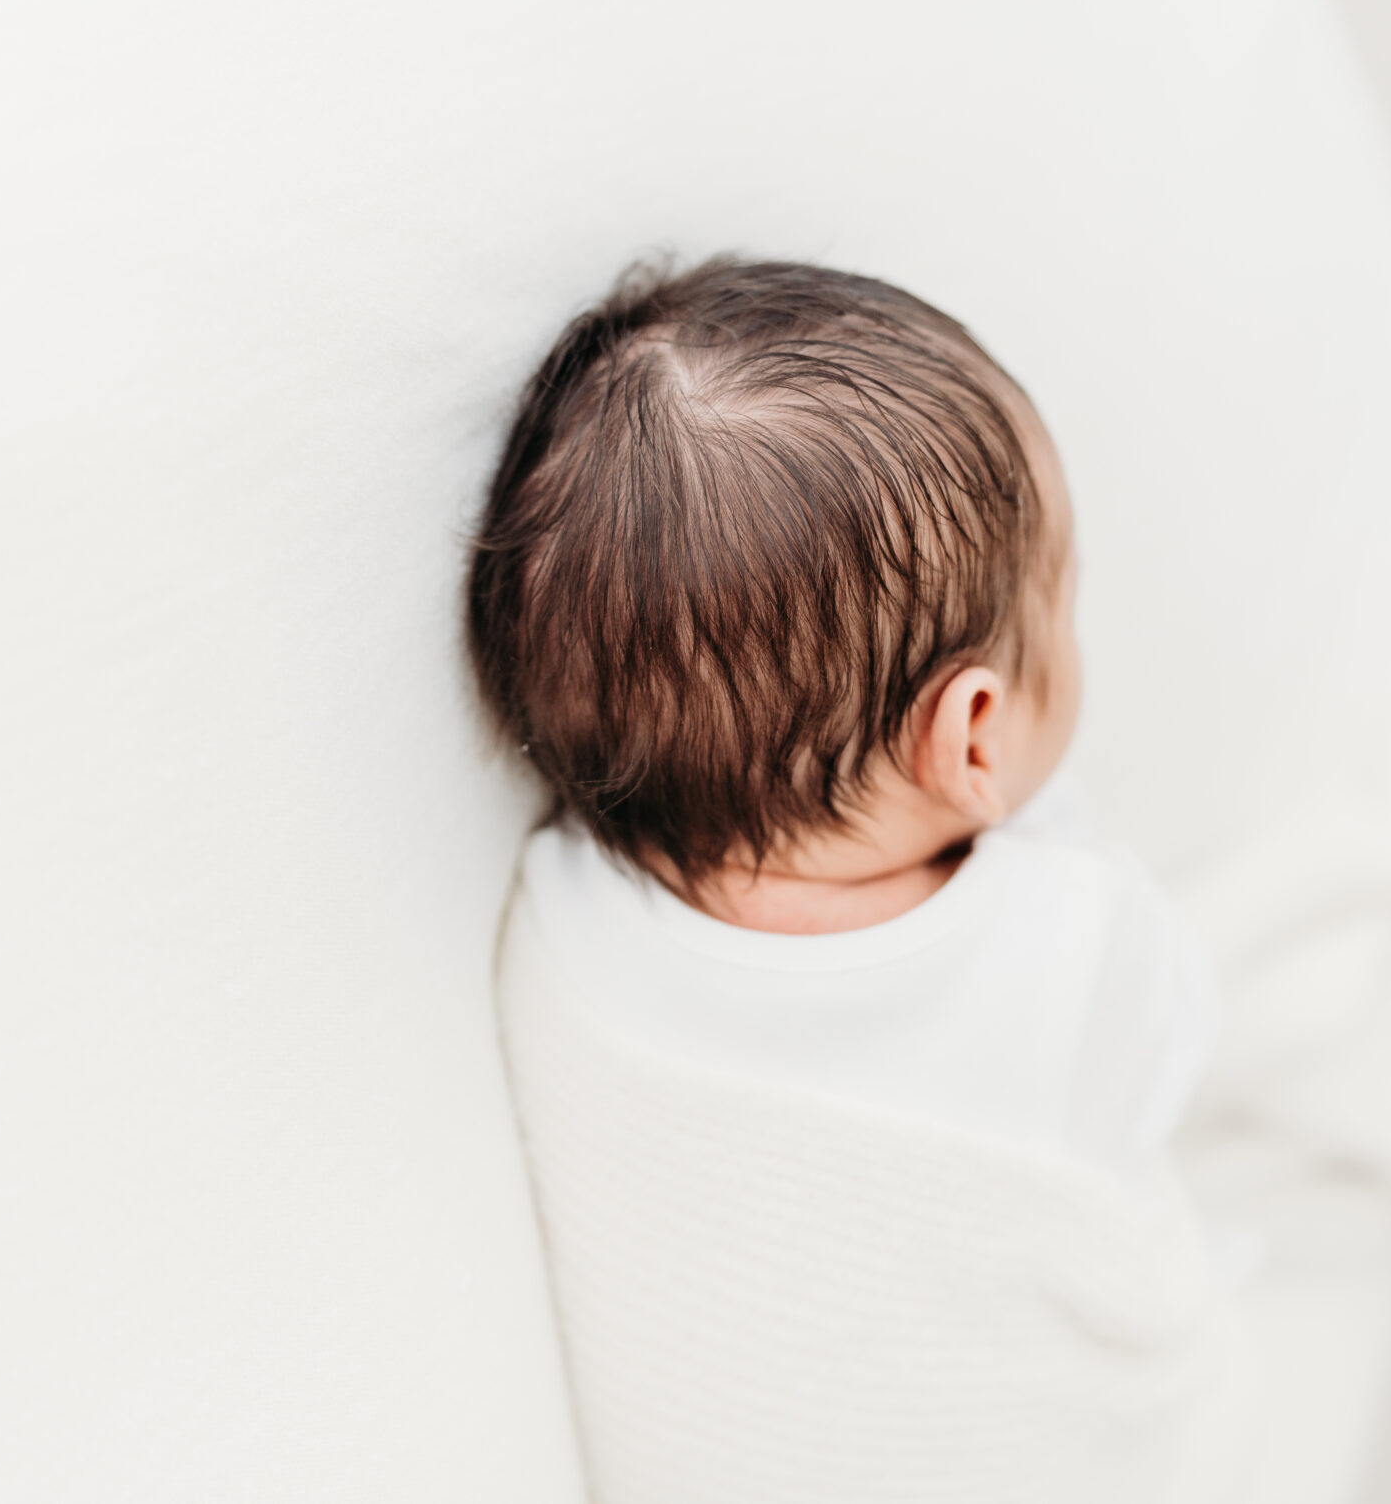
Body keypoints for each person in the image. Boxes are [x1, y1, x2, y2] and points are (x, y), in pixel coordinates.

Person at [468, 258, 1257, 1503]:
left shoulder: (565, 918)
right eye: (1063, 606)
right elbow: (1164, 1078)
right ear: (977, 736)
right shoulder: (1074, 947)